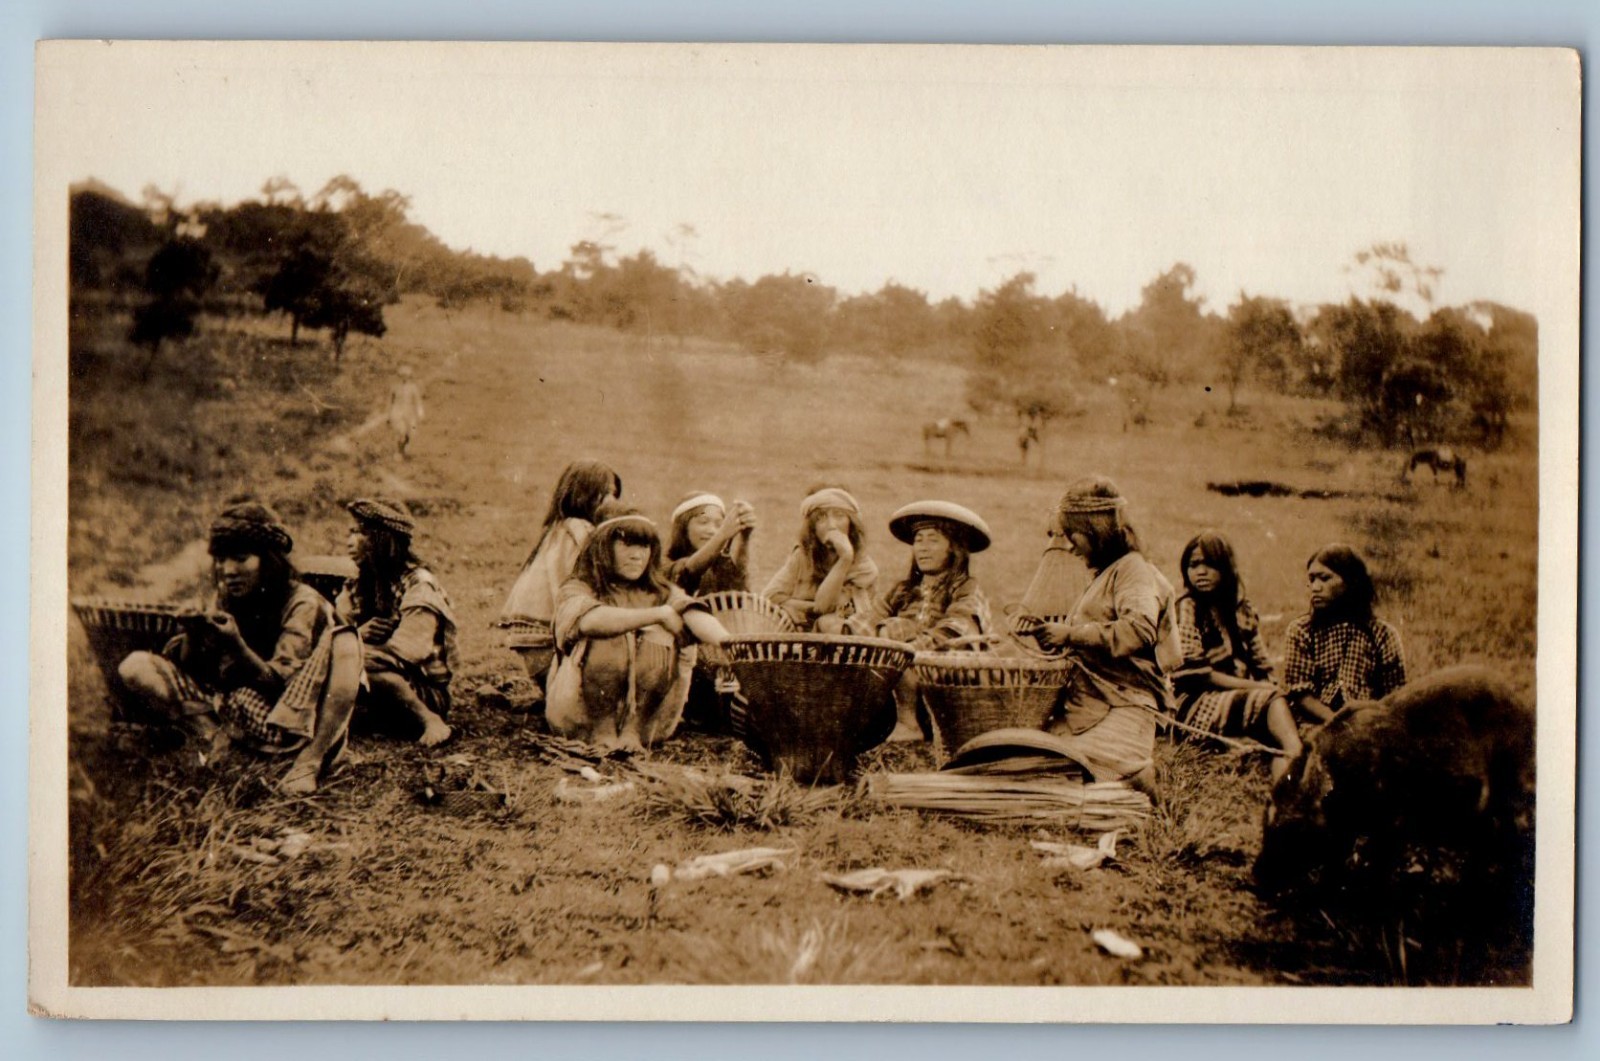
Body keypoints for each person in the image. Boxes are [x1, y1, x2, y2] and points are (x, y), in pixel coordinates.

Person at [117, 500, 359, 794]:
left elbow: (281, 685)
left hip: (285, 714)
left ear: (269, 561)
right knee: (135, 667)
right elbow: (195, 670)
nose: (228, 570)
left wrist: (236, 645)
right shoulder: (227, 595)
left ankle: (286, 757)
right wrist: (193, 633)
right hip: (231, 702)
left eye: (241, 559)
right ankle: (210, 735)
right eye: (221, 560)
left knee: (344, 643)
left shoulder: (301, 603)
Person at [1029, 476, 1178, 789]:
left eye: (1074, 535)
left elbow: (1139, 629)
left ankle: (1138, 776)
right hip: (1090, 705)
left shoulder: (1132, 569)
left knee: (1069, 778)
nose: (1069, 546)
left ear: (1097, 532)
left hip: (1122, 705)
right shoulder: (1104, 574)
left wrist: (1070, 635)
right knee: (1035, 762)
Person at [547, 512, 730, 751]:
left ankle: (633, 731)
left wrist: (729, 644)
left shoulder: (659, 590)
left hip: (650, 723)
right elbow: (591, 621)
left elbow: (694, 613)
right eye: (625, 545)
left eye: (644, 546)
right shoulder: (578, 587)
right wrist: (659, 615)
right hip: (581, 718)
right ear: (602, 548)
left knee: (660, 636)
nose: (636, 555)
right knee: (612, 631)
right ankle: (604, 731)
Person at [1172, 531, 1302, 780]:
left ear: (1226, 568)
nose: (1201, 571)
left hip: (1238, 697)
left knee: (1282, 713)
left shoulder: (1242, 611)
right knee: (1273, 706)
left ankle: (1285, 775)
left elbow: (1262, 663)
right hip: (1196, 702)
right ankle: (1294, 754)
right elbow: (1197, 676)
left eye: (1209, 564)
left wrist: (1270, 686)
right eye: (1194, 564)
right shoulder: (1187, 608)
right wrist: (1261, 688)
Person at [863, 500, 994, 742]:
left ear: (953, 548)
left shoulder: (966, 588)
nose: (923, 548)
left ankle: (908, 722)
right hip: (898, 672)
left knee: (895, 634)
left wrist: (908, 645)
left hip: (946, 673)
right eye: (918, 540)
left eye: (933, 540)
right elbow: (872, 619)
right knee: (887, 630)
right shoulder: (903, 590)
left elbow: (957, 628)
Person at [337, 498, 459, 747]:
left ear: (383, 539)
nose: (350, 542)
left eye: (360, 533)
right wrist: (357, 634)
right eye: (350, 532)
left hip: (422, 689)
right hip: (378, 682)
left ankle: (430, 720)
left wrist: (353, 646)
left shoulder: (419, 586)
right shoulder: (360, 582)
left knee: (356, 661)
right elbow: (335, 629)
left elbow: (408, 651)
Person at [499, 461, 623, 698]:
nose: (612, 502)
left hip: (534, 644)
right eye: (606, 493)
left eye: (614, 494)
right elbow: (572, 589)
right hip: (546, 644)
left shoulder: (559, 529)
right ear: (583, 494)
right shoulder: (579, 532)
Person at [1282, 544, 1408, 724]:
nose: (1315, 587)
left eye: (1325, 579)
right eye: (1312, 579)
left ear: (1350, 582)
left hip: (1369, 723)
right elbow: (1302, 695)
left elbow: (1395, 695)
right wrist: (1338, 723)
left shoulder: (1382, 634)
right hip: (1317, 724)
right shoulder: (1302, 630)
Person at [761, 485, 878, 634]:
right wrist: (805, 608)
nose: (831, 525)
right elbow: (769, 597)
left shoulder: (864, 569)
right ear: (813, 529)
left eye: (839, 515)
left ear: (851, 524)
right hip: (800, 633)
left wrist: (845, 558)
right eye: (821, 517)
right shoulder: (803, 557)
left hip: (843, 639)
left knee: (828, 623)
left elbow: (827, 609)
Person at [664, 491, 757, 595]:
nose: (712, 531)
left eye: (719, 525)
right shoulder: (663, 563)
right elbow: (687, 572)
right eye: (703, 522)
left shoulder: (718, 565)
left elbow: (738, 585)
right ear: (683, 527)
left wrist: (744, 537)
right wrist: (722, 534)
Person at [388, 365, 424, 458]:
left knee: (410, 433)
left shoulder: (413, 387)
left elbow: (418, 401)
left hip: (409, 412)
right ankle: (398, 452)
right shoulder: (395, 387)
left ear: (409, 377)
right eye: (402, 376)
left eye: (406, 376)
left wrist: (420, 412)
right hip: (397, 411)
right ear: (399, 376)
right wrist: (389, 414)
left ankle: (404, 450)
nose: (404, 378)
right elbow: (390, 401)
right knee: (401, 431)